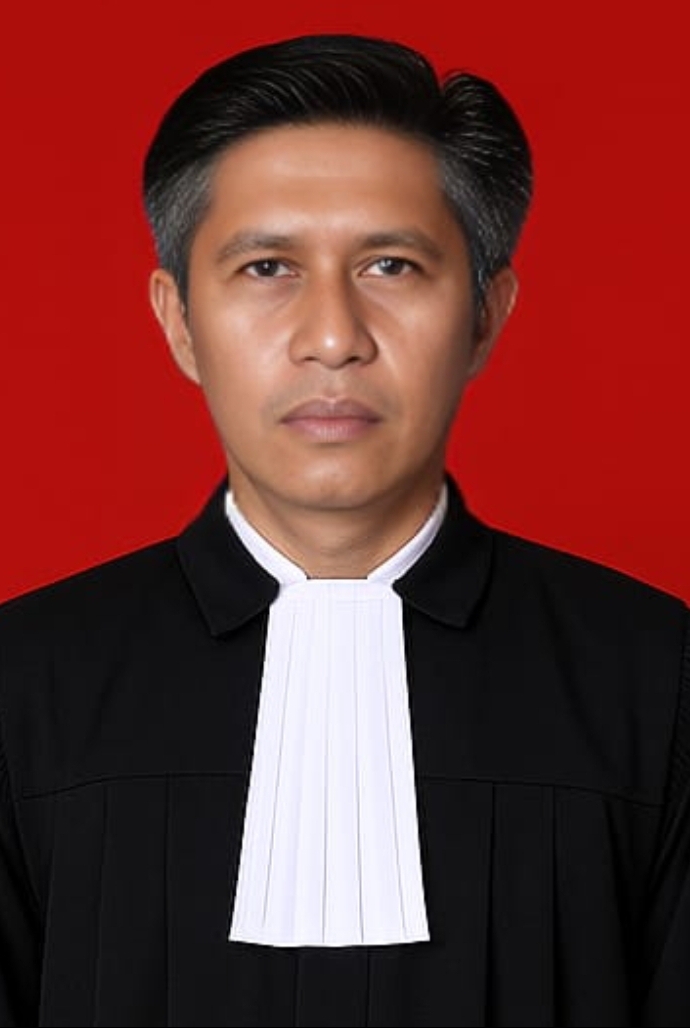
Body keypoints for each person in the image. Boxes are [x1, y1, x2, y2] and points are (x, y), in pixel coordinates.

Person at [0, 33, 688, 1028]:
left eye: (391, 265)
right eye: (268, 266)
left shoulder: (657, 681)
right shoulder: (23, 686)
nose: (333, 336)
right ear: (179, 320)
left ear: (486, 315)